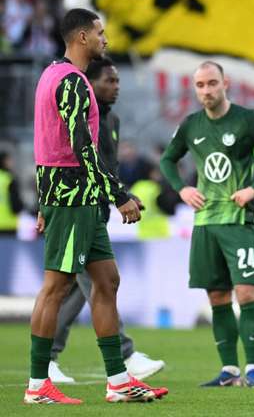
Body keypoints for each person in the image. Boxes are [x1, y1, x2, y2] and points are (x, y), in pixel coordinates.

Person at [26, 8, 167, 404]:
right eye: (100, 33)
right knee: (56, 287)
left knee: (106, 282)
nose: (105, 39)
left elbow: (46, 142)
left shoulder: (50, 75)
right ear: (82, 37)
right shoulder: (71, 81)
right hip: (72, 197)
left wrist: (46, 199)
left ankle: (119, 380)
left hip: (77, 198)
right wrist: (118, 195)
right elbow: (79, 147)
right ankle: (38, 385)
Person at [159, 61, 254, 388]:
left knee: (246, 292)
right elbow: (167, 160)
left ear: (225, 84)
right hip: (205, 222)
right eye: (200, 85)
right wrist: (182, 188)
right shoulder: (191, 125)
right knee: (217, 298)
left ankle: (253, 369)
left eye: (211, 83)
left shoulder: (248, 120)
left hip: (238, 221)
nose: (206, 91)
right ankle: (230, 371)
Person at [49, 57, 166, 384]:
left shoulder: (109, 119)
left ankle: (48, 358)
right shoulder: (83, 116)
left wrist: (123, 193)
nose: (116, 87)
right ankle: (125, 356)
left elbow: (106, 168)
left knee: (75, 288)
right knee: (98, 282)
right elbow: (82, 160)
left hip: (96, 210)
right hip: (77, 209)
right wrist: (118, 197)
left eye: (117, 81)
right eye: (109, 81)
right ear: (91, 83)